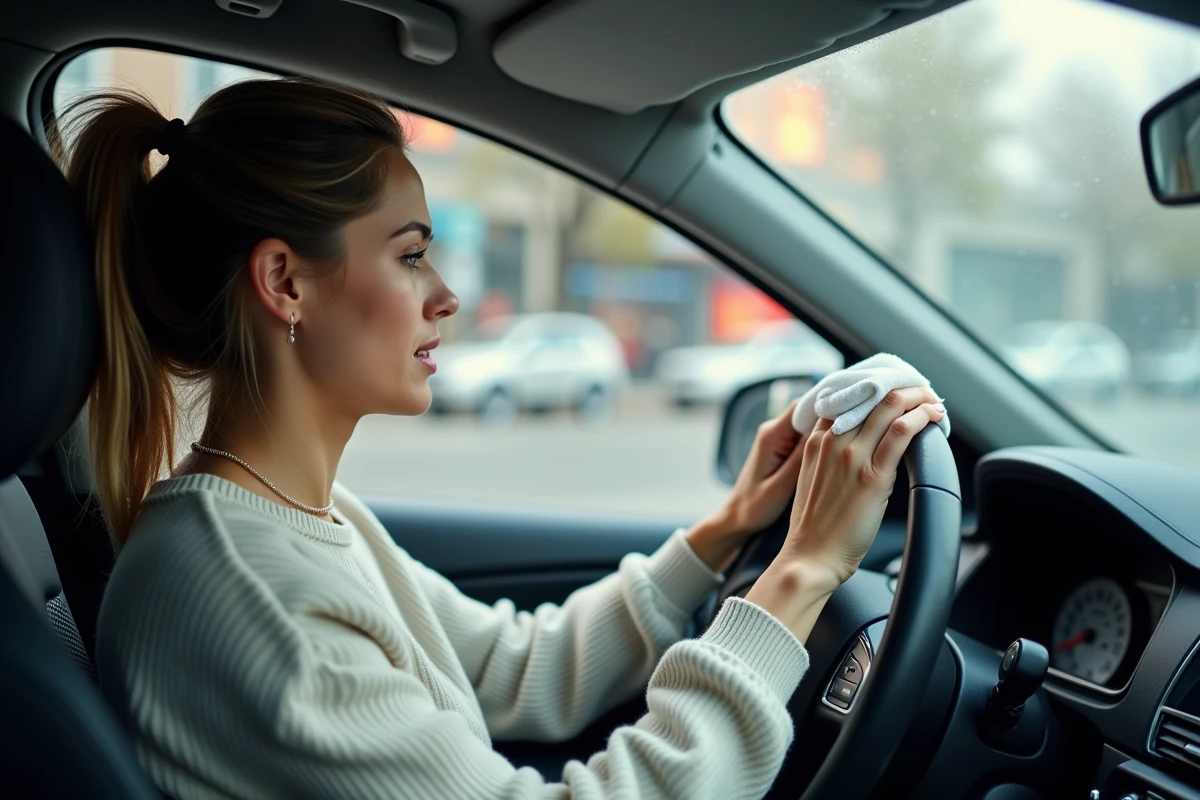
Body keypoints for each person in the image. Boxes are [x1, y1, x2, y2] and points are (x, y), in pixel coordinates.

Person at [57, 76, 946, 799]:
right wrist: (801, 575)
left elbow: (518, 666)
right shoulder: (245, 594)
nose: (444, 295)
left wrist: (729, 530)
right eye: (409, 256)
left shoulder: (293, 521)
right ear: (285, 282)